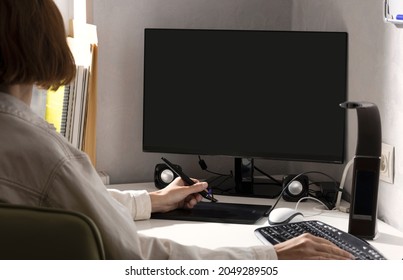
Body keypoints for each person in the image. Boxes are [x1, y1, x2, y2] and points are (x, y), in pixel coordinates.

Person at [0, 0, 353, 260]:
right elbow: (138, 262)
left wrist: (149, 201)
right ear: (39, 37)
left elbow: (57, 205)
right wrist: (272, 257)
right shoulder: (47, 157)